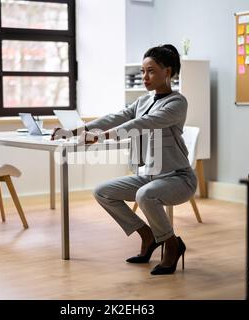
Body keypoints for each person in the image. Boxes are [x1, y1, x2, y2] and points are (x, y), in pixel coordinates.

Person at [52, 44, 197, 275]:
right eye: (142, 71)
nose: (144, 77)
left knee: (144, 195)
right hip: (148, 176)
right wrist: (77, 131)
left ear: (167, 72)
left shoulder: (177, 103)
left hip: (178, 178)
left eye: (150, 71)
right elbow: (117, 117)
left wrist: (100, 137)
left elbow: (140, 124)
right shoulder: (143, 101)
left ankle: (172, 245)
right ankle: (147, 235)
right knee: (103, 191)